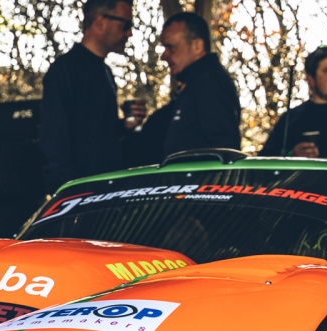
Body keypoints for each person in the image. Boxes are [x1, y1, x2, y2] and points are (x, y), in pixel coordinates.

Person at [39, 0, 147, 191]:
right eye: (125, 25)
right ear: (100, 22)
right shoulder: (65, 70)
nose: (129, 33)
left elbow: (94, 135)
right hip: (81, 197)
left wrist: (124, 126)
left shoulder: (105, 71)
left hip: (107, 191)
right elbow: (55, 141)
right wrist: (71, 194)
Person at [133, 12, 240, 164]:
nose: (164, 56)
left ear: (197, 46)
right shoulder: (195, 85)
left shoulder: (210, 84)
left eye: (171, 48)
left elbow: (222, 150)